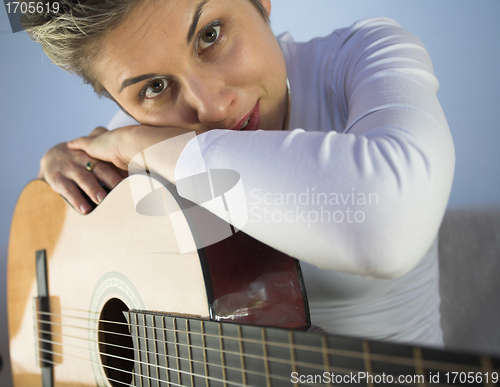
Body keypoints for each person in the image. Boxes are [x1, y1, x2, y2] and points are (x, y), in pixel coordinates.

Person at [23, 0, 455, 347]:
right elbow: (39, 323)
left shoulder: (365, 55)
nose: (211, 107)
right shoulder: (140, 148)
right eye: (153, 88)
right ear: (120, 106)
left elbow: (387, 229)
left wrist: (148, 144)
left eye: (210, 35)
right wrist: (53, 202)